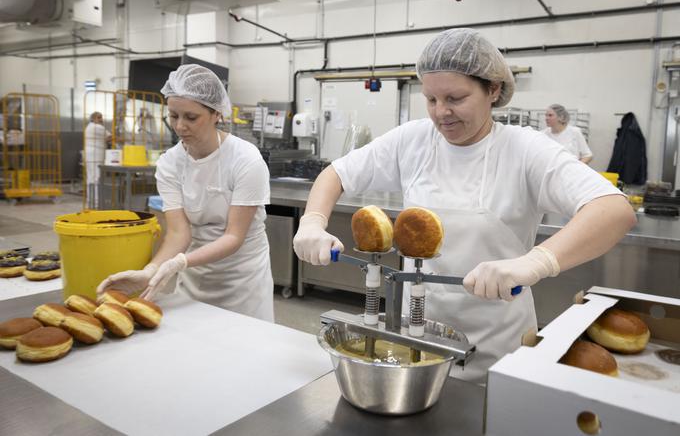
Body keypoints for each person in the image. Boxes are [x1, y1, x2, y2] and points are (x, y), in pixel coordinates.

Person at [293, 28, 635, 384]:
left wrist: (535, 262)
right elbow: (336, 174)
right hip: (417, 339)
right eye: (431, 99)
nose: (442, 113)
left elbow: (613, 210)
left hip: (498, 349)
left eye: (456, 98)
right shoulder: (412, 140)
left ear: (494, 90)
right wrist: (313, 223)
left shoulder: (525, 150)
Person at [97, 64, 274, 321]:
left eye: (191, 117)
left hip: (243, 279)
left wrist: (180, 263)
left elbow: (234, 237)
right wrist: (151, 270)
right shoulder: (170, 163)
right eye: (173, 116)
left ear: (216, 114)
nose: (180, 126)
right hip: (194, 277)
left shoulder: (245, 159)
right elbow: (180, 232)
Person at [84, 111, 111, 208]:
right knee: (96, 177)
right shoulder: (98, 127)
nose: (101, 119)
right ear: (93, 119)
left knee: (91, 176)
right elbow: (110, 137)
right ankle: (96, 202)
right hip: (95, 154)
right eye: (99, 117)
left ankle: (90, 200)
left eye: (101, 117)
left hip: (90, 154)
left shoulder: (89, 127)